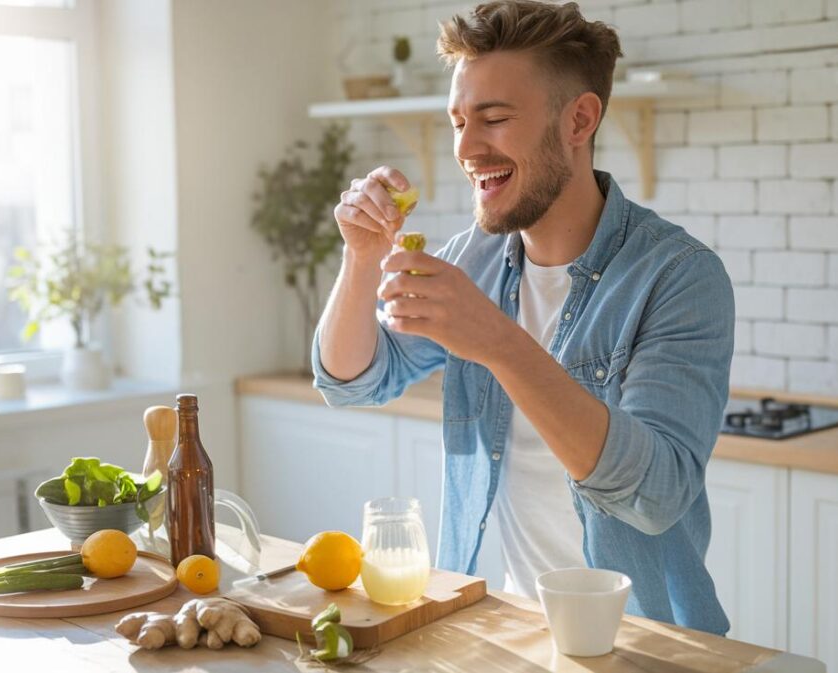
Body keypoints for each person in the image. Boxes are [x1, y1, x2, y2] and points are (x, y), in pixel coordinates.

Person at [312, 0, 733, 635]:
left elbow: (655, 495)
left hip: (642, 642)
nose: (467, 147)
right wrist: (362, 256)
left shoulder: (677, 276)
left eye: (495, 119)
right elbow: (352, 381)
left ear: (579, 120)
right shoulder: (472, 259)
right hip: (498, 628)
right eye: (458, 121)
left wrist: (499, 344)